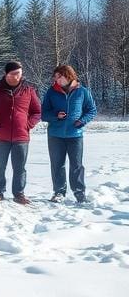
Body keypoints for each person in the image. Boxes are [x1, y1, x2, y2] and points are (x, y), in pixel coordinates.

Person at [0, 61, 42, 205]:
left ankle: (19, 194)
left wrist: (28, 125)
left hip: (21, 137)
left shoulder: (29, 91)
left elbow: (37, 112)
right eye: (13, 74)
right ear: (6, 74)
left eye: (19, 74)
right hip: (0, 137)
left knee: (20, 167)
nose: (17, 77)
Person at [41, 64, 97, 204]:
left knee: (77, 165)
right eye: (55, 77)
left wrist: (82, 121)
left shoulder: (82, 91)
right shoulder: (51, 92)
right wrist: (56, 116)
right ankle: (59, 192)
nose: (56, 79)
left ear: (68, 75)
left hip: (75, 135)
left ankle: (79, 192)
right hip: (55, 135)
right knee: (57, 164)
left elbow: (91, 110)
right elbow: (44, 113)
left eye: (59, 77)